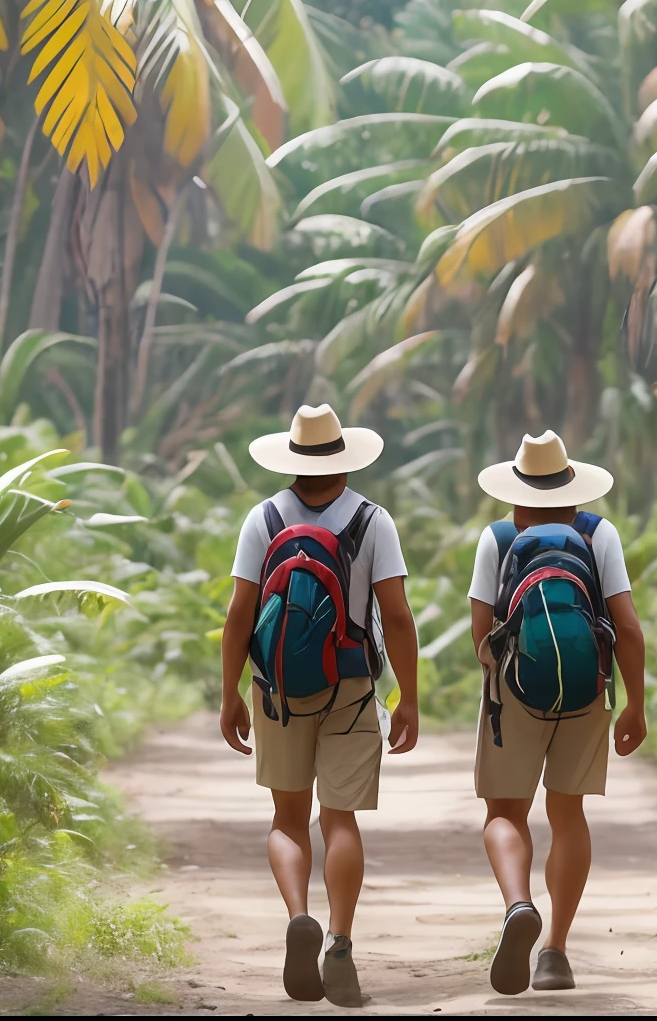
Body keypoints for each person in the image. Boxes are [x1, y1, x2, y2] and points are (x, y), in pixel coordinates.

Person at [218, 404, 421, 1007]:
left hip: (277, 690)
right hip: (352, 688)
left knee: (287, 817)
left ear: (291, 458)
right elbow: (399, 617)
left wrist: (230, 692)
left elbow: (239, 616)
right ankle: (339, 940)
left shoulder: (264, 518)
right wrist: (407, 696)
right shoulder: (372, 521)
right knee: (340, 819)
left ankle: (298, 915)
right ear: (343, 457)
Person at [467, 431, 647, 996]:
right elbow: (628, 628)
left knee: (504, 814)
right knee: (568, 816)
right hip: (587, 690)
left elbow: (481, 636)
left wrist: (508, 682)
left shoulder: (498, 538)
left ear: (516, 492)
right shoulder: (597, 534)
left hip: (512, 691)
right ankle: (555, 952)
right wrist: (635, 703)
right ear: (572, 487)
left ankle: (518, 905)